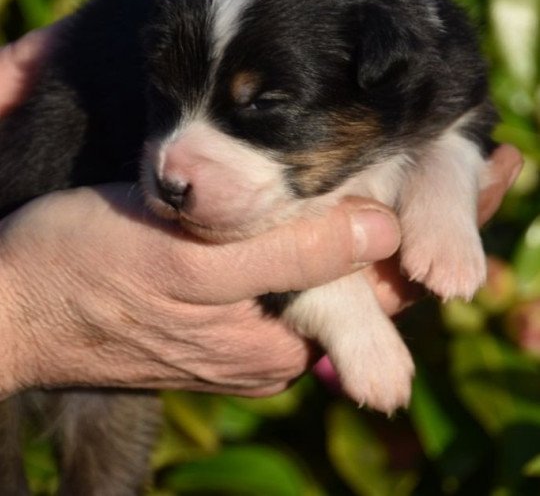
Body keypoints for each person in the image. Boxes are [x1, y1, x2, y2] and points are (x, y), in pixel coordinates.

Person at [0, 26, 522, 400]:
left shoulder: (399, 50)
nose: (170, 164)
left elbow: (459, 120)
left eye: (261, 105)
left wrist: (445, 197)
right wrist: (22, 318)